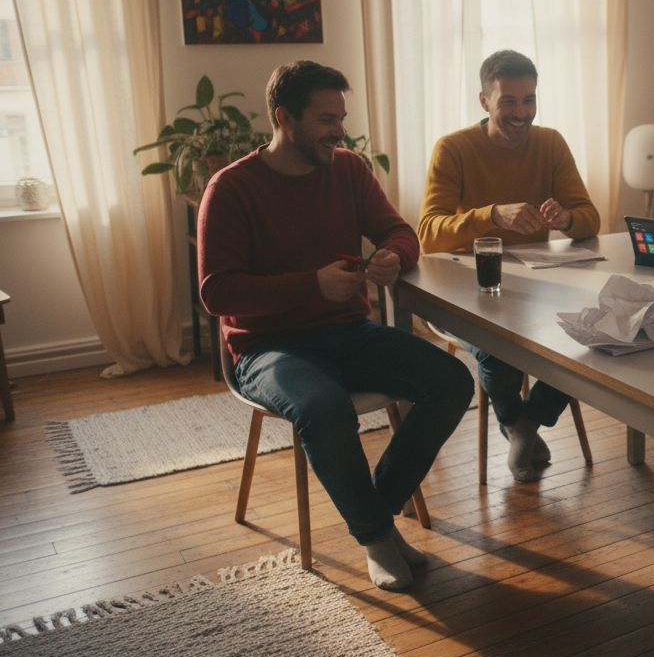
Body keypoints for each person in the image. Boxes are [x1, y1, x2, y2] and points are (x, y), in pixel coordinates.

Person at [198, 61, 475, 591]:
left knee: (453, 382)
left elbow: (400, 230)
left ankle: (376, 512)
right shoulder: (230, 189)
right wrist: (310, 285)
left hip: (348, 333)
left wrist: (394, 255)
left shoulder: (347, 169)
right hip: (267, 348)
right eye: (327, 119)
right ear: (285, 118)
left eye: (341, 117)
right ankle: (375, 538)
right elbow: (217, 293)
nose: (339, 130)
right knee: (324, 409)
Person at [418, 50, 600, 483]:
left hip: (535, 285)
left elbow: (590, 218)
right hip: (467, 289)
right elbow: (427, 232)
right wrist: (491, 215)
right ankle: (520, 425)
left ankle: (524, 423)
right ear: (484, 101)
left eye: (529, 101)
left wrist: (567, 219)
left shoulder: (550, 142)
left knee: (591, 337)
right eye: (509, 102)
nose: (521, 113)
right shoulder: (454, 148)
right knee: (499, 349)